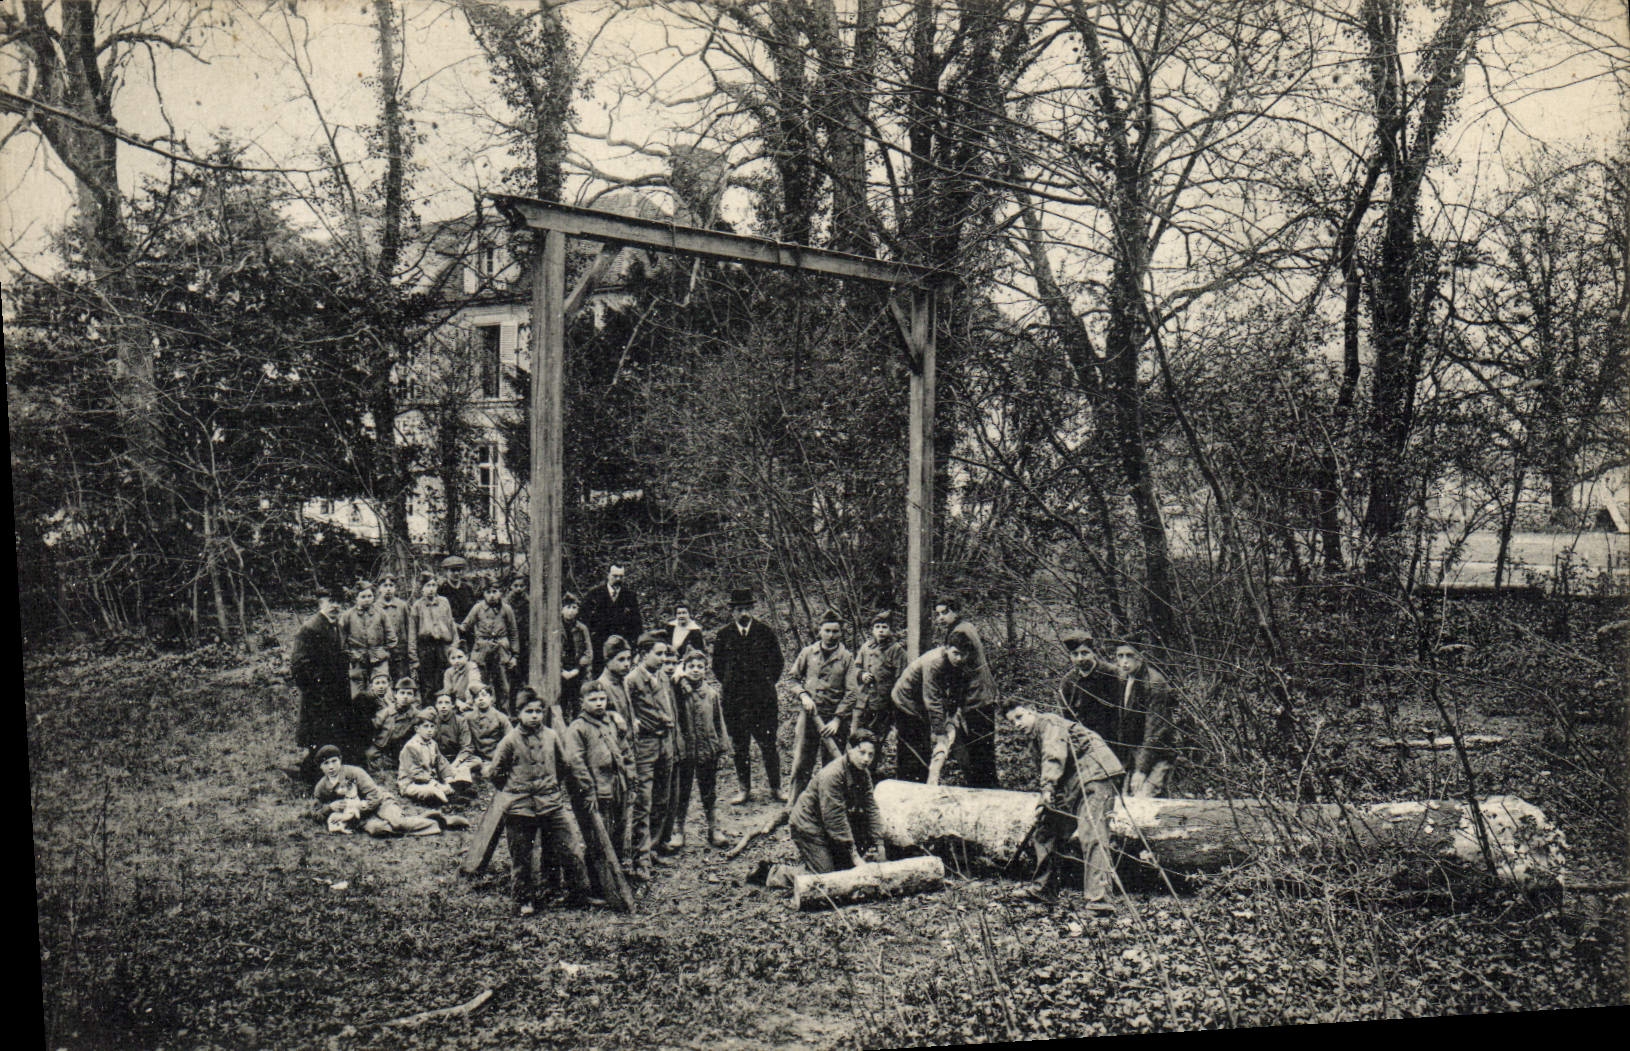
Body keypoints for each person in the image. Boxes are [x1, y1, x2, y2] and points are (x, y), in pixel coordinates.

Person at [1003, 703, 1123, 909]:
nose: (1017, 724)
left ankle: (1100, 900)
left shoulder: (1048, 722)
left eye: (1020, 716)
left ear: (1032, 710)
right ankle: (1044, 889)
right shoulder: (1034, 739)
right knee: (1046, 830)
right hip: (1073, 783)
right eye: (1013, 722)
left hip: (1096, 774)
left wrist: (1047, 789)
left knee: (1092, 833)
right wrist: (1051, 798)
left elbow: (1054, 754)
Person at [489, 693, 597, 914]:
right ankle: (524, 899)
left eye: (538, 711)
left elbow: (562, 765)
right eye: (529, 711)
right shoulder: (510, 740)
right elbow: (496, 772)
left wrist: (551, 787)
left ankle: (577, 894)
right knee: (522, 857)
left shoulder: (551, 736)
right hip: (520, 807)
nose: (535, 716)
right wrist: (515, 792)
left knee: (570, 848)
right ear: (518, 714)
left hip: (551, 803)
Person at [712, 586, 785, 804]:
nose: (743, 613)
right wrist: (731, 685)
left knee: (769, 745)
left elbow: (778, 664)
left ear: (752, 609)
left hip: (763, 702)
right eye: (739, 609)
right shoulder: (723, 635)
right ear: (732, 612)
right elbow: (717, 667)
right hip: (735, 703)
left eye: (747, 609)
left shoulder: (765, 632)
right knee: (740, 746)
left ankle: (776, 787)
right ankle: (744, 789)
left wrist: (764, 684)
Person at [309, 745, 468, 836]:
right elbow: (315, 812)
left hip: (379, 803)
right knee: (378, 830)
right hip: (359, 817)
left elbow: (375, 796)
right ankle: (423, 819)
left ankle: (441, 822)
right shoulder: (321, 787)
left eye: (334, 761)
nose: (331, 767)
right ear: (320, 767)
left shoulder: (354, 773)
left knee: (398, 823)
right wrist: (330, 808)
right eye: (326, 764)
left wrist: (359, 807)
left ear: (340, 760)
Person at [787, 729, 884, 874]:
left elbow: (871, 808)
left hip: (827, 826)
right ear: (850, 750)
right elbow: (834, 818)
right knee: (827, 876)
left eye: (871, 755)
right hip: (808, 825)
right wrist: (854, 855)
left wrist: (880, 845)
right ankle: (774, 872)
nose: (866, 759)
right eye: (862, 752)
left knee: (845, 868)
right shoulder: (832, 775)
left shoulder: (863, 774)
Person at [624, 632, 680, 880]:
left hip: (665, 742)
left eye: (664, 654)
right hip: (645, 745)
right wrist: (635, 722)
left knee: (662, 797)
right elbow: (625, 710)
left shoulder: (663, 677)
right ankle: (641, 857)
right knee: (643, 800)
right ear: (642, 655)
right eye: (657, 654)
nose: (662, 658)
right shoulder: (632, 680)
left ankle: (656, 846)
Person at [564, 680, 636, 868]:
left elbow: (625, 752)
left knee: (618, 831)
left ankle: (617, 874)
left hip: (618, 787)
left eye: (602, 699)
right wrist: (589, 791)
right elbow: (576, 763)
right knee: (598, 837)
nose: (599, 703)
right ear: (582, 702)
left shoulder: (612, 722)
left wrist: (630, 780)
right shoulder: (577, 728)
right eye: (593, 699)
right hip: (597, 792)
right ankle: (599, 883)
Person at [667, 648, 734, 850]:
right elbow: (670, 677)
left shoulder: (711, 693)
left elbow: (718, 721)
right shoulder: (676, 690)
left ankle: (714, 828)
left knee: (709, 790)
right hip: (685, 750)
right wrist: (680, 677)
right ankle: (678, 830)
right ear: (684, 668)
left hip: (707, 748)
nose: (696, 670)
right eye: (691, 667)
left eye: (700, 667)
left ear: (705, 670)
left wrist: (722, 748)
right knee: (682, 791)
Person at [289, 588, 355, 782]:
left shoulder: (337, 627)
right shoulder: (310, 629)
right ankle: (311, 775)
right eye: (330, 601)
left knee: (335, 733)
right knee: (319, 735)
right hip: (319, 696)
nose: (335, 606)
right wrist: (316, 689)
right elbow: (299, 666)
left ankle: (329, 771)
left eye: (339, 602)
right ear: (320, 603)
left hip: (338, 693)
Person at [933, 597, 1000, 788]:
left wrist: (953, 704)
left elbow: (959, 670)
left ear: (955, 611)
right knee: (983, 747)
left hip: (976, 696)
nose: (940, 618)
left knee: (981, 749)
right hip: (982, 694)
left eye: (944, 612)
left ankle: (986, 789)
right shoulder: (966, 627)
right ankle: (986, 786)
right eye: (937, 614)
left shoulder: (959, 634)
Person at [788, 609, 856, 796]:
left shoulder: (847, 658)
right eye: (827, 630)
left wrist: (837, 720)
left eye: (835, 631)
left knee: (833, 767)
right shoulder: (808, 653)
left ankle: (829, 806)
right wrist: (803, 695)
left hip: (835, 720)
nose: (831, 635)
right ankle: (794, 806)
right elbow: (792, 679)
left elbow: (852, 693)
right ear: (819, 631)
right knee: (802, 763)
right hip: (810, 716)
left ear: (841, 633)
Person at [889, 640, 971, 784]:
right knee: (913, 746)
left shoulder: (959, 663)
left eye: (962, 655)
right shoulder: (934, 662)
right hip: (906, 701)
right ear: (947, 649)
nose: (959, 658)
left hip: (920, 701)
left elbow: (957, 689)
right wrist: (939, 733)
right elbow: (932, 700)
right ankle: (907, 783)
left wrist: (952, 715)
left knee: (924, 745)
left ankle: (922, 778)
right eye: (955, 653)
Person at [1112, 640, 1177, 798]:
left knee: (1143, 798)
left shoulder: (1154, 683)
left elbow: (1154, 730)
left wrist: (1141, 770)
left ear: (1140, 657)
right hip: (1133, 752)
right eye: (1120, 656)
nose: (1124, 661)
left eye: (1129, 655)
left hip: (1159, 752)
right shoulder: (1123, 679)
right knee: (1124, 799)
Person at [847, 610, 907, 777]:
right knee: (856, 736)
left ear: (891, 630)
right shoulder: (866, 647)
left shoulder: (896, 651)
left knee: (875, 741)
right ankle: (853, 773)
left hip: (882, 705)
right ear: (872, 630)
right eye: (877, 627)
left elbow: (901, 679)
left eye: (885, 627)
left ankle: (869, 776)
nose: (881, 630)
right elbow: (855, 668)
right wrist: (862, 675)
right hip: (862, 702)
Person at [462, 579, 519, 709]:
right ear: (484, 594)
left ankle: (504, 714)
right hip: (482, 650)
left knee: (503, 685)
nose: (492, 595)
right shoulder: (477, 608)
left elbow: (513, 632)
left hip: (501, 650)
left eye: (495, 591)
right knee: (482, 684)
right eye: (488, 592)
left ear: (500, 593)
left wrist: (515, 656)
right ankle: (481, 712)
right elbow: (465, 626)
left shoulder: (506, 609)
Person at [579, 563, 644, 677]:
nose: (618, 579)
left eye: (621, 576)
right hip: (599, 648)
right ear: (608, 575)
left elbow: (637, 625)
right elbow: (584, 621)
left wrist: (636, 648)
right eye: (615, 576)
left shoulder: (629, 596)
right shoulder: (594, 594)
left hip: (622, 648)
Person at [397, 709, 474, 804]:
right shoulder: (411, 747)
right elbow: (416, 774)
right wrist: (437, 785)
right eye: (425, 726)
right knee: (432, 791)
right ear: (417, 729)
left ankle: (454, 790)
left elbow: (441, 763)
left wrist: (449, 779)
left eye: (432, 726)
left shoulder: (433, 743)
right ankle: (450, 799)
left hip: (431, 779)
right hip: (413, 783)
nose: (429, 730)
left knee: (463, 770)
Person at [1058, 631, 1124, 732]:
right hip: (1084, 739)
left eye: (1084, 653)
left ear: (1093, 652)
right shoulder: (1068, 682)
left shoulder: (1111, 674)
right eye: (1075, 654)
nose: (1080, 659)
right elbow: (1067, 718)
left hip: (1113, 737)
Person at [340, 582, 396, 699]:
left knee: (382, 691)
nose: (367, 600)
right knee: (358, 693)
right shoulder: (348, 616)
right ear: (356, 598)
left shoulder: (380, 613)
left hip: (379, 660)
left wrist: (384, 652)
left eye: (369, 596)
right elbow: (341, 640)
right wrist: (351, 655)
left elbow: (391, 637)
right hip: (357, 660)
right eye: (363, 597)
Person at [409, 574, 458, 700]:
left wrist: (454, 646)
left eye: (433, 585)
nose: (431, 589)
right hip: (426, 648)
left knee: (444, 679)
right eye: (428, 586)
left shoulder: (444, 602)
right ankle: (429, 712)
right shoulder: (417, 606)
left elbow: (451, 624)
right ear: (422, 588)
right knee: (428, 684)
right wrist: (413, 657)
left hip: (443, 647)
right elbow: (412, 633)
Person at [461, 684, 513, 780]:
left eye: (484, 695)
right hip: (476, 759)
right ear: (474, 701)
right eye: (477, 697)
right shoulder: (469, 718)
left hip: (495, 758)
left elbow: (510, 741)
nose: (481, 699)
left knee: (488, 774)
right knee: (463, 771)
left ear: (491, 698)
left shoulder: (501, 718)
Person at [372, 678, 423, 768]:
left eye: (409, 693)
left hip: (403, 751)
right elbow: (373, 727)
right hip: (382, 748)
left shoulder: (417, 715)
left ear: (414, 697)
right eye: (402, 693)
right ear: (395, 694)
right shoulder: (386, 712)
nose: (405, 697)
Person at [560, 592, 593, 722]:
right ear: (562, 609)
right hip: (561, 671)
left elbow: (589, 653)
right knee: (561, 700)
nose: (571, 611)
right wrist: (561, 670)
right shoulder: (556, 627)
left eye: (574, 608)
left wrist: (578, 668)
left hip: (577, 670)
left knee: (577, 702)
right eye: (568, 607)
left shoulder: (582, 628)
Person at [594, 635, 636, 736]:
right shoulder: (600, 685)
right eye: (621, 659)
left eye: (628, 659)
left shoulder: (624, 681)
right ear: (608, 661)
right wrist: (612, 714)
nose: (627, 664)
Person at [429, 692, 476, 783]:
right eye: (440, 703)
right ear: (436, 705)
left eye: (447, 703)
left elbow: (467, 746)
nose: (443, 706)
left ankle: (459, 779)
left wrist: (455, 764)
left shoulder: (460, 721)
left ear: (453, 705)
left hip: (457, 758)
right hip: (438, 759)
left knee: (477, 761)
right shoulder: (432, 721)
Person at [375, 576, 411, 684]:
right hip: (382, 653)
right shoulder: (375, 607)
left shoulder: (402, 605)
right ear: (379, 589)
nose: (388, 589)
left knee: (402, 682)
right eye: (385, 586)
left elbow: (408, 628)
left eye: (391, 585)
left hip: (400, 652)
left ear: (395, 588)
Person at [506, 573, 531, 683]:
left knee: (524, 662)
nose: (519, 588)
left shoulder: (528, 601)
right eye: (515, 585)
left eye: (521, 586)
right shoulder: (506, 602)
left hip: (524, 636)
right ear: (511, 586)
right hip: (510, 636)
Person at [440, 555, 479, 625]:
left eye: (459, 570)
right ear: (446, 571)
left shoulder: (468, 589)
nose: (456, 573)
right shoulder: (441, 590)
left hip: (467, 627)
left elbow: (474, 610)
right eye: (453, 570)